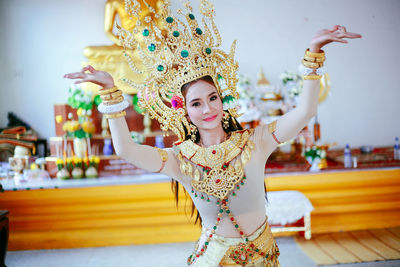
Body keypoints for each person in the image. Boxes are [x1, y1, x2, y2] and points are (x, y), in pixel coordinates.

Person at [64, 0, 361, 266]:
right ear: (184, 111)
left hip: (264, 258)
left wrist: (314, 52)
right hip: (213, 260)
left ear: (222, 98)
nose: (208, 108)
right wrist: (110, 93)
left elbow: (304, 112)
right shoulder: (180, 159)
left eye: (213, 98)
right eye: (196, 103)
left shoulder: (254, 142)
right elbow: (126, 150)